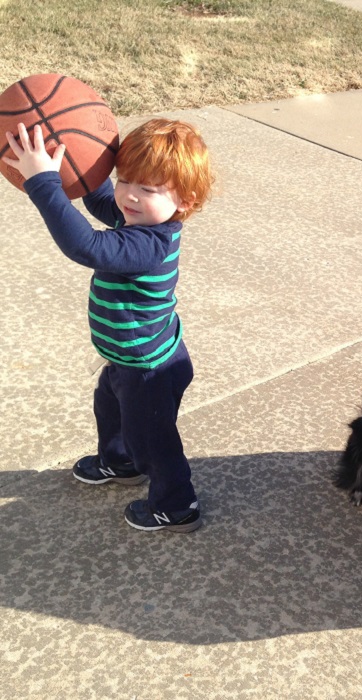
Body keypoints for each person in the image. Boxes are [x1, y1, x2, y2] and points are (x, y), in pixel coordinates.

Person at [3, 118, 214, 533]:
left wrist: (44, 182)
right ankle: (119, 463)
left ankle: (176, 505)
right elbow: (99, 197)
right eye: (125, 179)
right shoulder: (139, 218)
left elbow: (86, 245)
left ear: (185, 202)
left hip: (150, 369)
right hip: (130, 359)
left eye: (147, 189)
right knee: (110, 407)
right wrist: (73, 156)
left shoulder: (149, 244)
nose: (129, 196)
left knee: (152, 439)